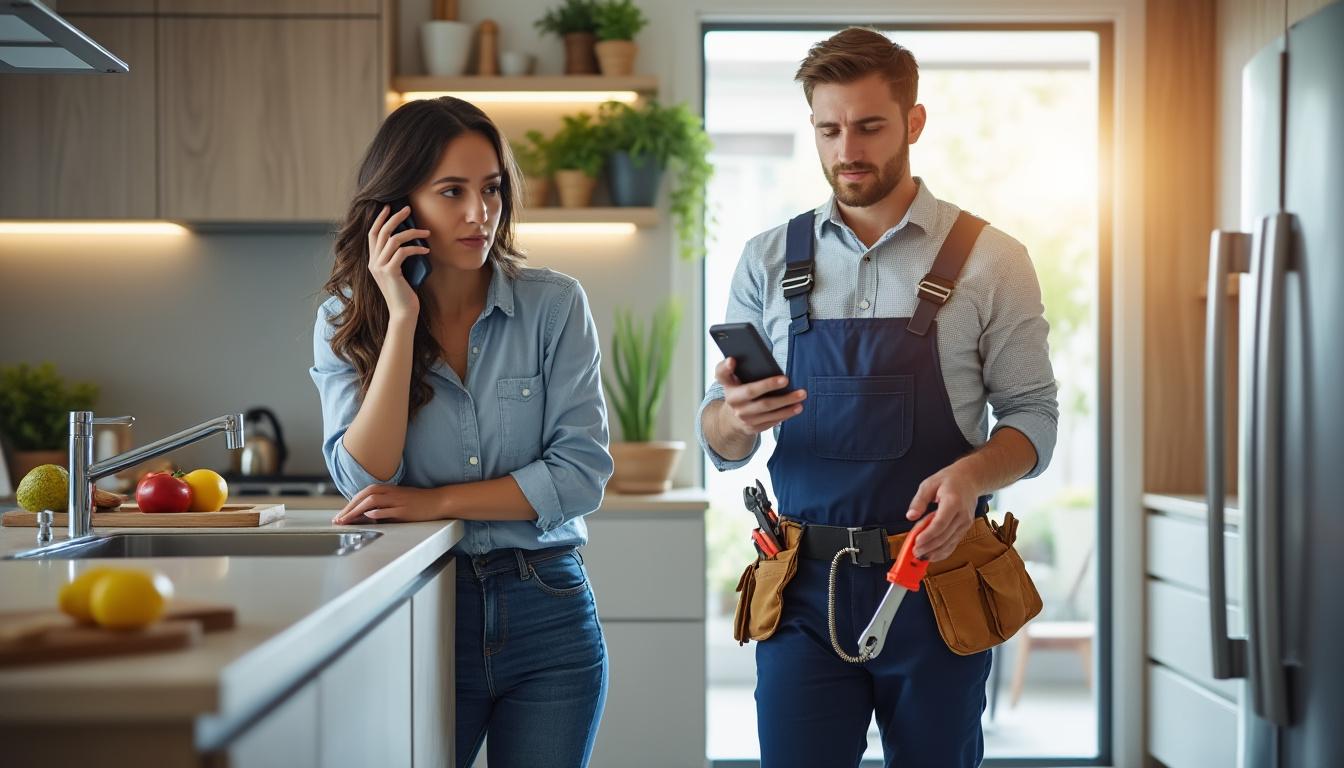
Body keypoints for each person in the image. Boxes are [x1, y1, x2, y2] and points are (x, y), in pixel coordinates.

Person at [697, 28, 1059, 768]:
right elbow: (719, 439)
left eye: (868, 127)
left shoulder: (993, 260)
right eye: (828, 130)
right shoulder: (767, 259)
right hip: (800, 588)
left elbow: (1034, 418)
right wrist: (734, 420)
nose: (847, 150)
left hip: (937, 584)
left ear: (913, 123)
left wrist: (971, 475)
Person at [311, 96, 613, 768]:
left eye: (492, 189)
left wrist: (437, 502)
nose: (480, 213)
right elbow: (364, 479)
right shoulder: (346, 317)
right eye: (452, 192)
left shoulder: (554, 305)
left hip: (548, 612)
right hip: (422, 606)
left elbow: (580, 476)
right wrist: (400, 319)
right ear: (398, 206)